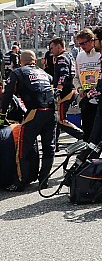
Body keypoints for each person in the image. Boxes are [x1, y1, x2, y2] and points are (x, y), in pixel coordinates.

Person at [0, 50, 56, 189]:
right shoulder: (45, 74)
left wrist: (2, 114)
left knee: (24, 149)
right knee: (49, 148)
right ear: (34, 60)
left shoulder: (18, 72)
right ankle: (44, 180)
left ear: (20, 61)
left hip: (34, 113)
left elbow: (7, 94)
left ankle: (21, 182)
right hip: (51, 113)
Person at [48, 37, 83, 141]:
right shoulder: (69, 55)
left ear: (59, 47)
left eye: (52, 48)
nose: (51, 51)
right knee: (57, 119)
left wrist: (58, 89)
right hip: (71, 89)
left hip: (65, 92)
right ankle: (55, 143)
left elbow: (64, 74)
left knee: (61, 119)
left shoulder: (61, 58)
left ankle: (82, 136)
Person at [73, 28, 100, 142]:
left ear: (92, 41)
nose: (82, 46)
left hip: (99, 96)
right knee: (87, 130)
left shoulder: (100, 54)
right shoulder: (79, 56)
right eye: (79, 44)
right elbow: (76, 77)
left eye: (84, 43)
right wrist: (79, 89)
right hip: (85, 97)